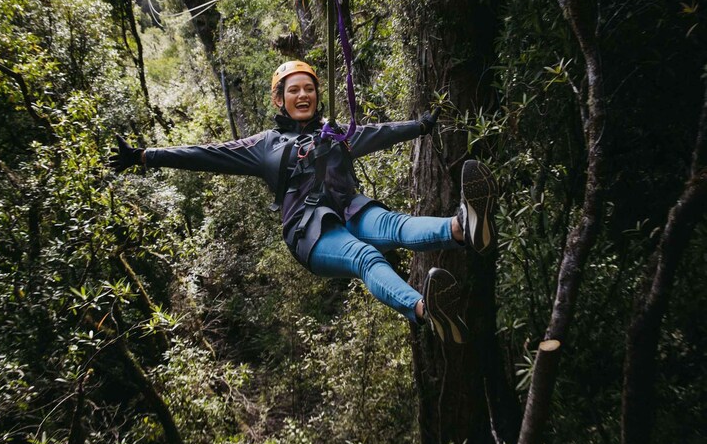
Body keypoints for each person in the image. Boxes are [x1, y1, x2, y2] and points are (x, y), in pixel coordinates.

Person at [109, 60, 497, 343]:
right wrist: (146, 155)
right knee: (366, 258)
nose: (303, 95)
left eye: (308, 88)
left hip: (352, 209)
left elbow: (379, 133)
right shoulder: (265, 147)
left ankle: (462, 228)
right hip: (311, 232)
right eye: (293, 90)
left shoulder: (336, 134)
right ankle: (427, 311)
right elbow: (205, 154)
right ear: (280, 99)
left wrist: (422, 126)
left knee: (394, 225)